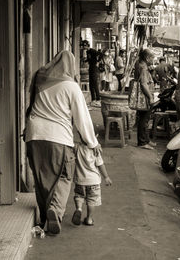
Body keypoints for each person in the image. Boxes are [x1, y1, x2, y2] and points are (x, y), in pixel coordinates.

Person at [25, 50, 102, 235]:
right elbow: (82, 118)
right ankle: (56, 212)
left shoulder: (40, 79)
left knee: (41, 177)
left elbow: (29, 105)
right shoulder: (71, 86)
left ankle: (44, 216)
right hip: (58, 137)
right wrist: (92, 143)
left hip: (34, 135)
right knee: (64, 176)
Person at [71, 139, 112, 226]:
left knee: (79, 196)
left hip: (80, 180)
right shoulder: (95, 150)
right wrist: (106, 177)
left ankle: (79, 209)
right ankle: (89, 219)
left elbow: (69, 142)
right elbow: (100, 165)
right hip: (94, 181)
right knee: (92, 201)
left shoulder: (77, 147)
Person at [134, 48, 156, 150]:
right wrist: (150, 97)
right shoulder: (143, 67)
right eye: (152, 57)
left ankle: (146, 140)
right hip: (144, 96)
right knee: (144, 118)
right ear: (147, 58)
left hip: (143, 96)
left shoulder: (141, 64)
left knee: (145, 118)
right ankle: (142, 142)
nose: (153, 60)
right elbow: (143, 84)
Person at [83, 40, 101, 107]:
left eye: (84, 45)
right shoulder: (87, 52)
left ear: (87, 45)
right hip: (91, 68)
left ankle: (98, 99)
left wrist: (97, 61)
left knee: (95, 83)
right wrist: (85, 60)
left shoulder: (93, 51)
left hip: (94, 68)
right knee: (91, 84)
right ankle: (93, 99)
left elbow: (100, 54)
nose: (83, 47)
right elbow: (89, 59)